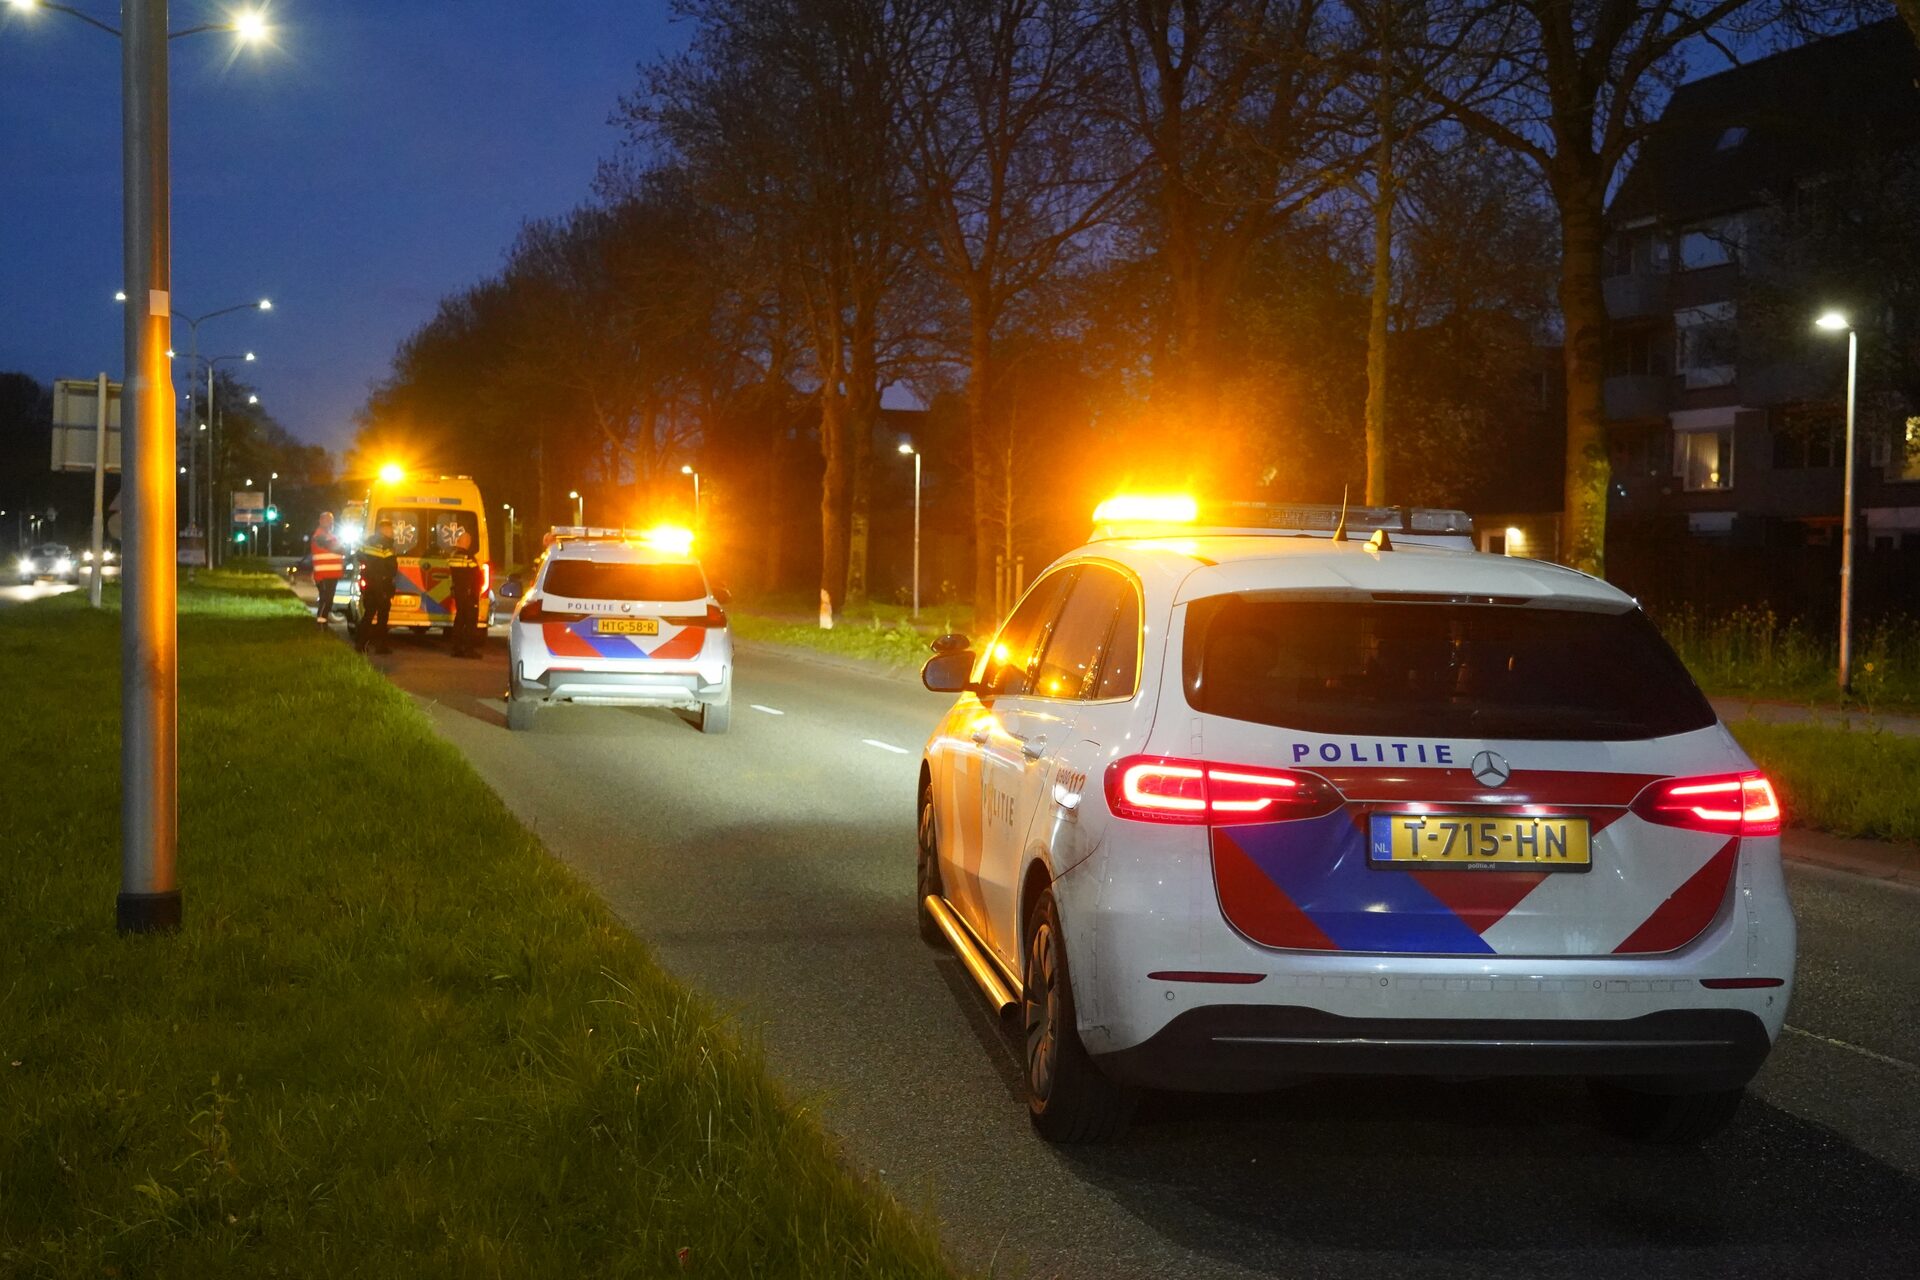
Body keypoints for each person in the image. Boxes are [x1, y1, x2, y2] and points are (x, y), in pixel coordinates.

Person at [355, 517, 399, 655]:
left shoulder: (368, 542)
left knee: (368, 615)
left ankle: (360, 644)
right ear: (384, 530)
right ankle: (381, 646)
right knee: (382, 617)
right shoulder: (387, 546)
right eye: (391, 529)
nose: (392, 532)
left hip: (370, 585)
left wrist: (370, 569)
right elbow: (392, 569)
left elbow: (358, 555)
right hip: (382, 586)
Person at [446, 526, 482, 658]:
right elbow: (476, 576)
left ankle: (456, 649)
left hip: (459, 592)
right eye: (468, 541)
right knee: (470, 622)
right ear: (464, 542)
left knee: (460, 620)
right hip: (469, 593)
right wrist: (476, 592)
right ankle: (469, 650)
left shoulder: (453, 556)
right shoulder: (468, 557)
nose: (469, 543)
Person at [310, 512, 344, 624]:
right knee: (325, 600)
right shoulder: (319, 535)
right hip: (323, 575)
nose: (330, 522)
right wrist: (342, 547)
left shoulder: (330, 536)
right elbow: (337, 548)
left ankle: (323, 622)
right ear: (320, 521)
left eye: (331, 520)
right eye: (327, 520)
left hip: (332, 575)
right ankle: (320, 624)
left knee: (328, 601)